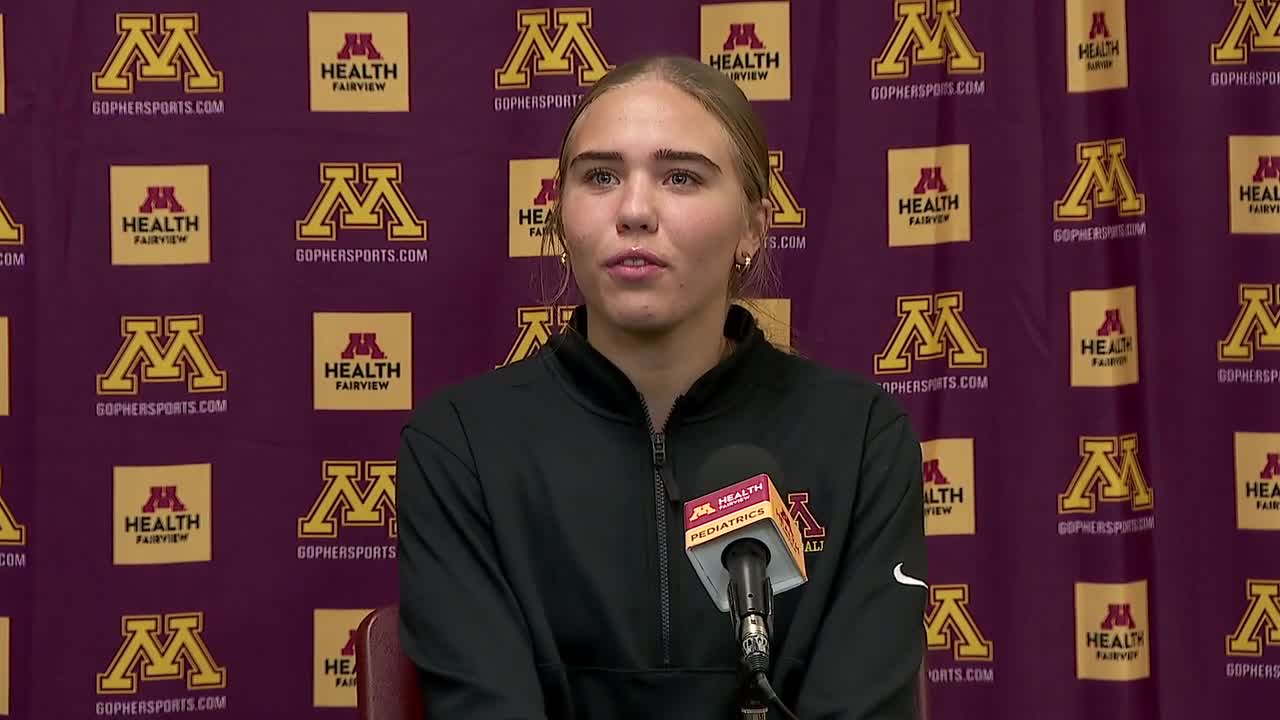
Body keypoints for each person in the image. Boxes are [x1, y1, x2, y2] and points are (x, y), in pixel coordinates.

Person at [396, 55, 927, 719]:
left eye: (680, 176)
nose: (635, 210)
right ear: (560, 217)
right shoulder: (460, 446)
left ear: (754, 225)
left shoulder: (862, 439)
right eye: (600, 177)